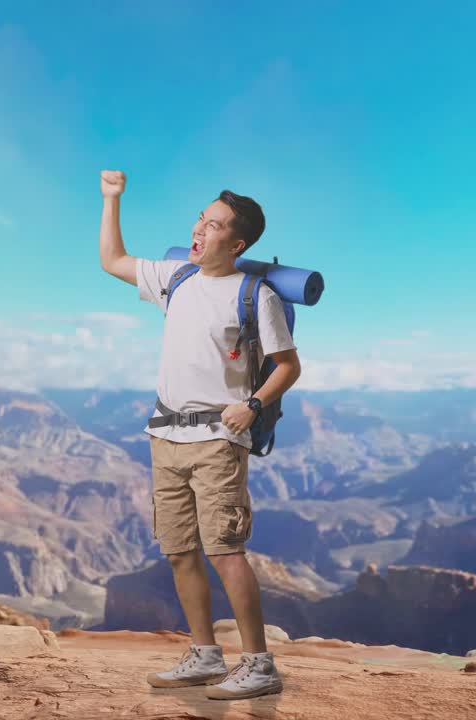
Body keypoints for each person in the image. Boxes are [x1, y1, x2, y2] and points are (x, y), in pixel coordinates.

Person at [97, 169, 301, 700]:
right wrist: (111, 199)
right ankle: (205, 654)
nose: (198, 230)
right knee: (179, 549)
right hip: (165, 435)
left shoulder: (256, 296)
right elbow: (112, 261)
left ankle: (258, 664)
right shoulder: (176, 278)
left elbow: (287, 366)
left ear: (235, 243)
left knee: (225, 551)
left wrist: (252, 405)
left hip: (217, 441)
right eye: (199, 219)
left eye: (212, 226)